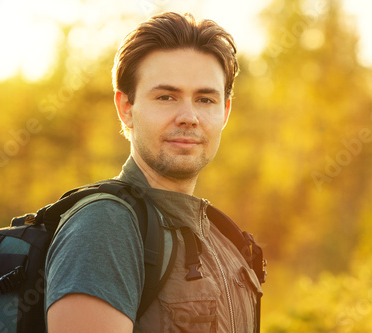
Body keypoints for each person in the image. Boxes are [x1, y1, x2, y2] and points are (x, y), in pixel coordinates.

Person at [45, 11, 262, 333]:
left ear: (225, 112)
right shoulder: (104, 227)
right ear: (126, 108)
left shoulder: (223, 238)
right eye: (166, 97)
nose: (189, 117)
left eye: (205, 99)